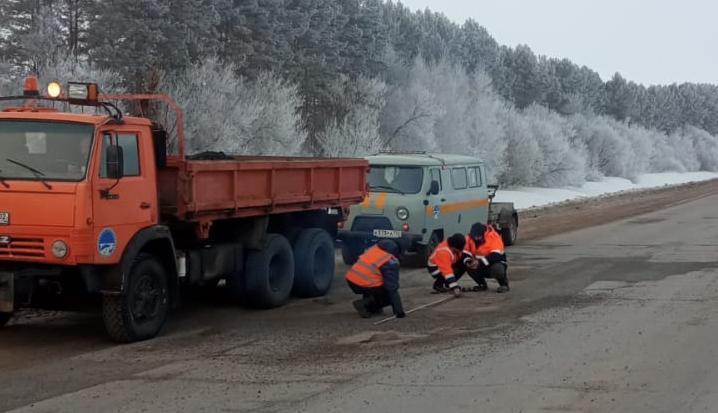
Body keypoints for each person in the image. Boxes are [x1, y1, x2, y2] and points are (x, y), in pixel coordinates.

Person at [346, 239, 405, 319]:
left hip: (352, 279)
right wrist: (399, 312)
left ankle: (371, 308)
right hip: (363, 283)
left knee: (375, 282)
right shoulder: (389, 261)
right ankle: (363, 304)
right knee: (388, 296)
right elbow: (392, 288)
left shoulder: (375, 248)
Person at [461, 223, 510, 293]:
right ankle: (482, 285)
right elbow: (465, 253)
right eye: (474, 236)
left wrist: (479, 262)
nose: (476, 238)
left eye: (478, 236)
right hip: (480, 264)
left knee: (498, 269)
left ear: (483, 233)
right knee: (469, 267)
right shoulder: (469, 238)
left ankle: (504, 284)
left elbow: (495, 255)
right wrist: (468, 262)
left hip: (494, 263)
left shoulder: (493, 237)